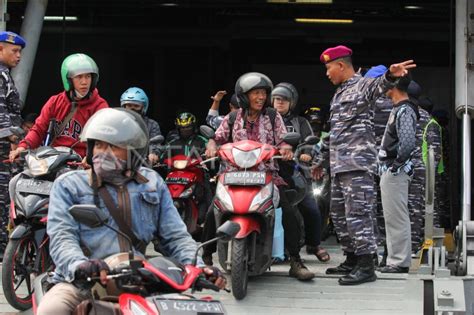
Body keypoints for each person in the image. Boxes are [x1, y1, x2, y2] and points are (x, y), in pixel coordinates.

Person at [36, 108, 225, 315]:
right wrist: (80, 265)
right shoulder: (69, 185)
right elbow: (62, 236)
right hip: (81, 283)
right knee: (51, 310)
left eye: (112, 146)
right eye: (98, 145)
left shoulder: (152, 184)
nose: (102, 153)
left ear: (133, 152)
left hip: (138, 279)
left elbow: (176, 237)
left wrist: (197, 267)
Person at [315, 44, 415, 285]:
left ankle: (366, 266)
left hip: (357, 165)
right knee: (340, 216)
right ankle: (351, 259)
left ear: (341, 65)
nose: (327, 73)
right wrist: (322, 161)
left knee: (358, 215)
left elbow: (380, 84)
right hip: (339, 165)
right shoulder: (339, 93)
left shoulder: (362, 85)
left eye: (329, 68)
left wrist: (390, 75)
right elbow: (335, 132)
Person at [204, 72, 315, 281]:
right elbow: (216, 138)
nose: (261, 97)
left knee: (289, 212)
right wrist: (211, 145)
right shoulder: (232, 117)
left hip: (266, 175)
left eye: (264, 93)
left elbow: (283, 140)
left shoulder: (273, 116)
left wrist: (286, 149)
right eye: (256, 93)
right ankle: (206, 256)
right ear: (244, 95)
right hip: (232, 175)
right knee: (213, 210)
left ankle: (295, 261)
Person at [9, 53, 109, 161]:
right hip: (53, 160)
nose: (84, 82)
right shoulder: (55, 101)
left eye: (88, 76)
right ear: (68, 79)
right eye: (79, 77)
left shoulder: (100, 106)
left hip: (81, 163)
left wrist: (90, 158)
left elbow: (103, 140)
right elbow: (38, 129)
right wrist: (22, 147)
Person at [271, 82, 330, 262]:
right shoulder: (264, 120)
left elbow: (310, 143)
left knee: (312, 209)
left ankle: (314, 244)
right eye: (277, 99)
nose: (280, 103)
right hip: (267, 172)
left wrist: (305, 153)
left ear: (292, 102)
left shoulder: (300, 122)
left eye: (284, 100)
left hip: (294, 173)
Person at [378, 75, 419, 273]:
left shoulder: (404, 109)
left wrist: (396, 165)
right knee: (392, 217)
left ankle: (399, 262)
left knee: (397, 217)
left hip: (396, 171)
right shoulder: (400, 108)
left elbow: (408, 142)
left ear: (395, 86)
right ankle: (394, 259)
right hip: (392, 170)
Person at [363, 65, 394, 265]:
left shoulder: (366, 104)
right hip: (390, 165)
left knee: (368, 209)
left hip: (367, 164)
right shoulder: (395, 103)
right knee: (389, 211)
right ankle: (388, 254)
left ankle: (372, 253)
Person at [0, 31, 25, 256]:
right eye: (14, 51)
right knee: (2, 197)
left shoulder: (5, 74)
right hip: (2, 147)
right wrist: (11, 138)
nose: (18, 56)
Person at [406, 81, 430, 254]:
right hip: (416, 169)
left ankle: (412, 247)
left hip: (414, 170)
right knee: (413, 210)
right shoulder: (426, 117)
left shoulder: (409, 113)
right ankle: (411, 247)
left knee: (412, 209)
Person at [119, 87, 162, 164]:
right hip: (121, 163)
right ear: (124, 107)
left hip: (142, 164)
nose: (132, 109)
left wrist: (154, 153)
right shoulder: (118, 123)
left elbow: (155, 143)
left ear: (143, 107)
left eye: (136, 106)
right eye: (129, 105)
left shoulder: (152, 125)